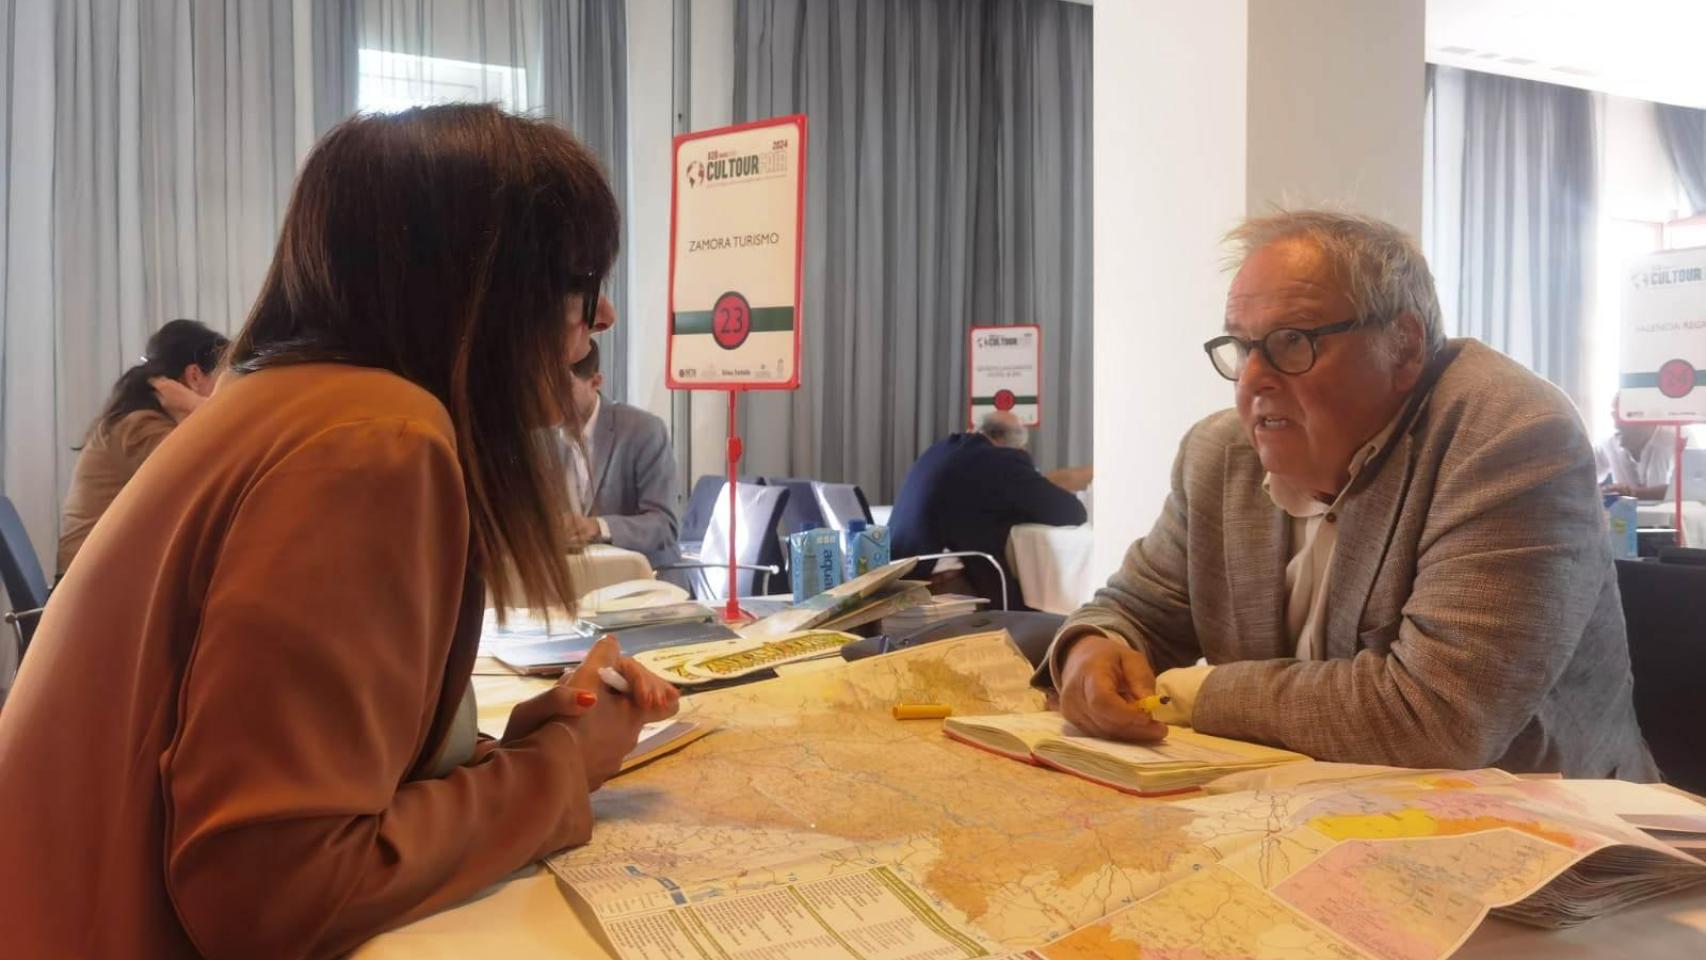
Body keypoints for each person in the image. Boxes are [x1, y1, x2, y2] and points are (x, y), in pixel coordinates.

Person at [0, 104, 680, 958]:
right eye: (582, 282)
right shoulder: (373, 442)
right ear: (485, 289)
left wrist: (505, 748)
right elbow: (273, 892)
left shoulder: (285, 399)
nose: (602, 317)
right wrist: (558, 772)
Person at [1047, 209, 1656, 781]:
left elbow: (1437, 721)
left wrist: (1192, 693)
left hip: (1549, 842)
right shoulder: (1219, 455)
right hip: (1303, 822)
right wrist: (1090, 651)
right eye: (1242, 346)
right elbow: (1136, 611)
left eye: (1292, 342)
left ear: (1405, 346)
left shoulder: (1509, 434)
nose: (1254, 378)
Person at [56, 319, 228, 577]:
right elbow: (210, 479)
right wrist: (199, 407)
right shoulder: (139, 425)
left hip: (102, 576)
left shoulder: (143, 421)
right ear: (194, 376)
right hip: (95, 586)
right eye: (222, 379)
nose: (226, 392)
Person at [889, 411, 1090, 609]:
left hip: (896, 577)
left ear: (976, 429)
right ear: (1016, 447)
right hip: (933, 590)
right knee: (1045, 612)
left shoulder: (943, 449)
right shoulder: (1001, 461)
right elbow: (1070, 512)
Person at [560, 339, 683, 571]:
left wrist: (597, 527)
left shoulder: (644, 430)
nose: (550, 400)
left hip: (647, 585)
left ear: (596, 382)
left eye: (561, 388)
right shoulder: (541, 438)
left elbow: (664, 526)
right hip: (579, 583)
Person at [1595, 401, 1684, 501]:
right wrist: (1602, 492)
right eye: (1614, 415)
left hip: (1669, 515)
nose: (1616, 425)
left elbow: (1688, 489)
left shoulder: (1679, 437)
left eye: (1625, 416)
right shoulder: (1608, 443)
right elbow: (1581, 478)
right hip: (1622, 516)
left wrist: (1631, 493)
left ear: (1648, 418)